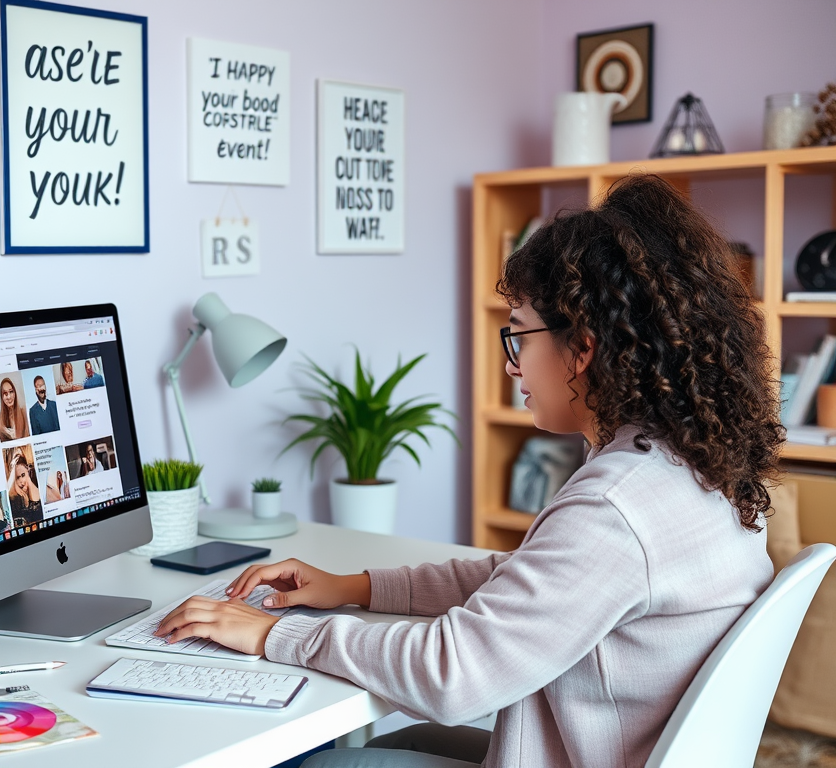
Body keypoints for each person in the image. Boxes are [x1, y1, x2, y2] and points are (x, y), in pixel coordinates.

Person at [153, 175, 785, 768]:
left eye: (519, 337)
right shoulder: (687, 465)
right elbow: (523, 581)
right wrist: (354, 586)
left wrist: (272, 635)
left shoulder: (617, 510)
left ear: (584, 346)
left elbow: (454, 676)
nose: (512, 367)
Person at [8, 453, 43, 525]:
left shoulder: (36, 485)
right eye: (17, 477)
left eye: (23, 475)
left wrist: (28, 480)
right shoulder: (15, 498)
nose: (21, 481)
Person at [0, 377, 29, 442]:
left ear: (15, 393)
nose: (9, 397)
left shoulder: (24, 412)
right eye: (5, 393)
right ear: (2, 397)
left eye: (11, 392)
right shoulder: (1, 423)